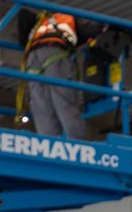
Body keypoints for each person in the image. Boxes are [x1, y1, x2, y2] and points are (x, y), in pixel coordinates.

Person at [17, 9, 97, 139]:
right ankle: (78, 143)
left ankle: (48, 143)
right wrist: (105, 27)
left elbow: (22, 15)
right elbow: (90, 29)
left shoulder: (40, 22)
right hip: (55, 54)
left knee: (41, 105)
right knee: (64, 101)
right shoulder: (70, 18)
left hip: (33, 57)